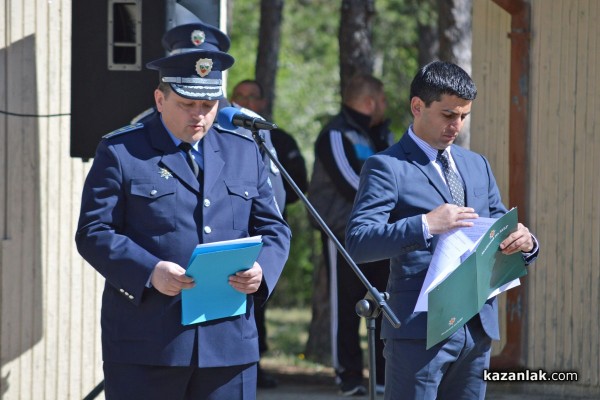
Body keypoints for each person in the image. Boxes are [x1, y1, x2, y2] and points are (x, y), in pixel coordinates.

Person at [75, 47, 291, 400]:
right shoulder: (122, 151)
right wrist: (150, 270)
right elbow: (93, 232)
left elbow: (274, 227)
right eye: (187, 105)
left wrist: (261, 270)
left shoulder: (244, 150)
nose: (199, 116)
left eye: (207, 106)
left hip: (227, 342)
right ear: (160, 99)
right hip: (149, 342)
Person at [345, 61, 540, 400]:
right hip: (419, 332)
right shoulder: (386, 166)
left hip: (477, 328)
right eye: (449, 115)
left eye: (464, 116)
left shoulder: (476, 164)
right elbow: (359, 242)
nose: (457, 126)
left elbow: (497, 226)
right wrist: (425, 224)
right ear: (417, 107)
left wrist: (525, 242)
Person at [307, 73, 393, 396]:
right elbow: (350, 183)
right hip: (342, 232)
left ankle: (383, 376)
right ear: (370, 102)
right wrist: (396, 201)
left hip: (380, 233)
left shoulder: (377, 135)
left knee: (386, 301)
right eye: (383, 101)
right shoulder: (335, 134)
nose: (386, 107)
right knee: (346, 305)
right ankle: (349, 376)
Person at [230, 79, 308, 388]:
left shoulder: (278, 138)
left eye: (254, 96)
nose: (248, 101)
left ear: (263, 103)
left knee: (261, 301)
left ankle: (255, 365)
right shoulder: (226, 138)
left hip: (269, 236)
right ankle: (248, 367)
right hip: (239, 237)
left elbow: (297, 182)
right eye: (241, 96)